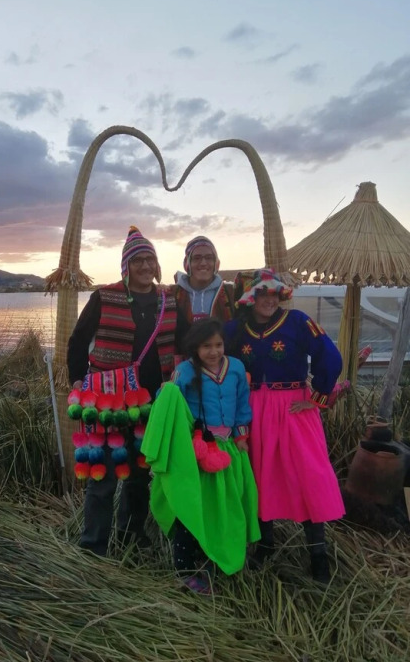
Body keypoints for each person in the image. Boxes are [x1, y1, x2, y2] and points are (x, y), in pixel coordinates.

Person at [67, 226, 186, 557]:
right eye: (138, 261)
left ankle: (131, 538)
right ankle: (93, 547)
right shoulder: (104, 297)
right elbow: (79, 339)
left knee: (139, 476)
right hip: (107, 402)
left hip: (152, 404)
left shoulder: (169, 300)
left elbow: (184, 341)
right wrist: (76, 379)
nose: (145, 266)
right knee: (103, 477)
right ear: (126, 266)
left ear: (157, 265)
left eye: (150, 260)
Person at [224, 268, 345, 583]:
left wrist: (317, 397)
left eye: (275, 293)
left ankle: (318, 553)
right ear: (250, 298)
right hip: (253, 409)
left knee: (308, 475)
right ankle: (266, 545)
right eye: (262, 293)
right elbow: (208, 351)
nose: (270, 299)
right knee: (259, 473)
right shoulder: (236, 330)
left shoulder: (298, 322)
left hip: (293, 408)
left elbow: (330, 357)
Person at [142, 318, 260, 594]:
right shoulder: (184, 371)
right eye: (207, 346)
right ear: (195, 347)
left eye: (218, 345)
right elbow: (168, 403)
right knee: (192, 509)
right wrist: (167, 391)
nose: (214, 351)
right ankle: (184, 570)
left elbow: (242, 405)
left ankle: (213, 559)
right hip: (197, 453)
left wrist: (241, 436)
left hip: (228, 449)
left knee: (225, 507)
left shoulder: (236, 368)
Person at [174, 236, 236, 324]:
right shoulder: (173, 294)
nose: (203, 263)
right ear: (188, 263)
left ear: (216, 263)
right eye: (197, 258)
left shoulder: (231, 293)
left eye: (209, 258)